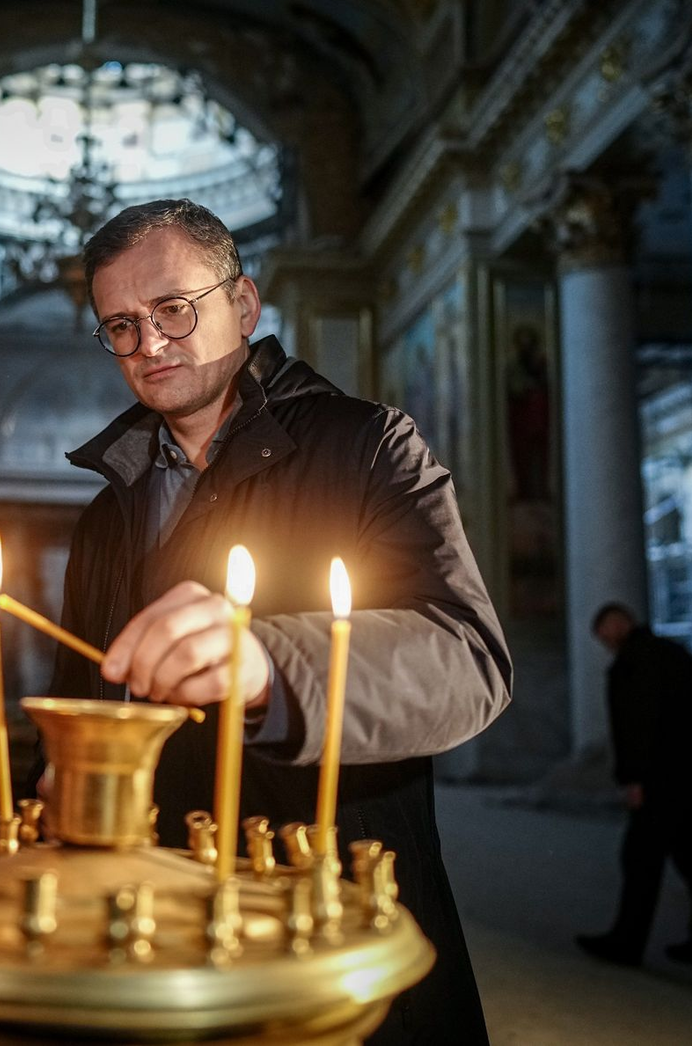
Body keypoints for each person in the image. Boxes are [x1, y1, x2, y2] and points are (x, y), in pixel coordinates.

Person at [48, 200, 512, 1046]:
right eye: (119, 325)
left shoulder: (368, 446)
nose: (149, 344)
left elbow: (469, 660)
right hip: (154, 909)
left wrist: (272, 661)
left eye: (173, 310)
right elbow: (84, 697)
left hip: (325, 892)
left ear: (244, 304)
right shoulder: (103, 519)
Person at [575, 603, 692, 967]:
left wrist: (634, 779)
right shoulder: (672, 653)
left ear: (617, 624)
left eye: (604, 633)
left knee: (640, 861)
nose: (604, 642)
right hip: (685, 775)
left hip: (659, 780)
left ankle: (626, 943)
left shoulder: (632, 664)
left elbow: (636, 727)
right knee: (687, 857)